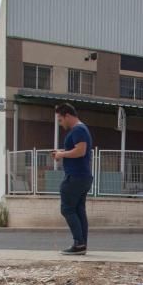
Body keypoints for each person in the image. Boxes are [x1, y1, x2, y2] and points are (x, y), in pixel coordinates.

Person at [52, 103, 93, 255]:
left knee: (67, 209)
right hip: (83, 176)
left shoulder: (79, 129)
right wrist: (61, 152)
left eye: (60, 120)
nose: (60, 123)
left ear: (67, 116)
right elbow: (77, 150)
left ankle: (79, 243)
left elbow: (80, 151)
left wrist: (61, 154)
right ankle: (81, 244)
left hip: (75, 177)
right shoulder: (81, 129)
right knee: (78, 210)